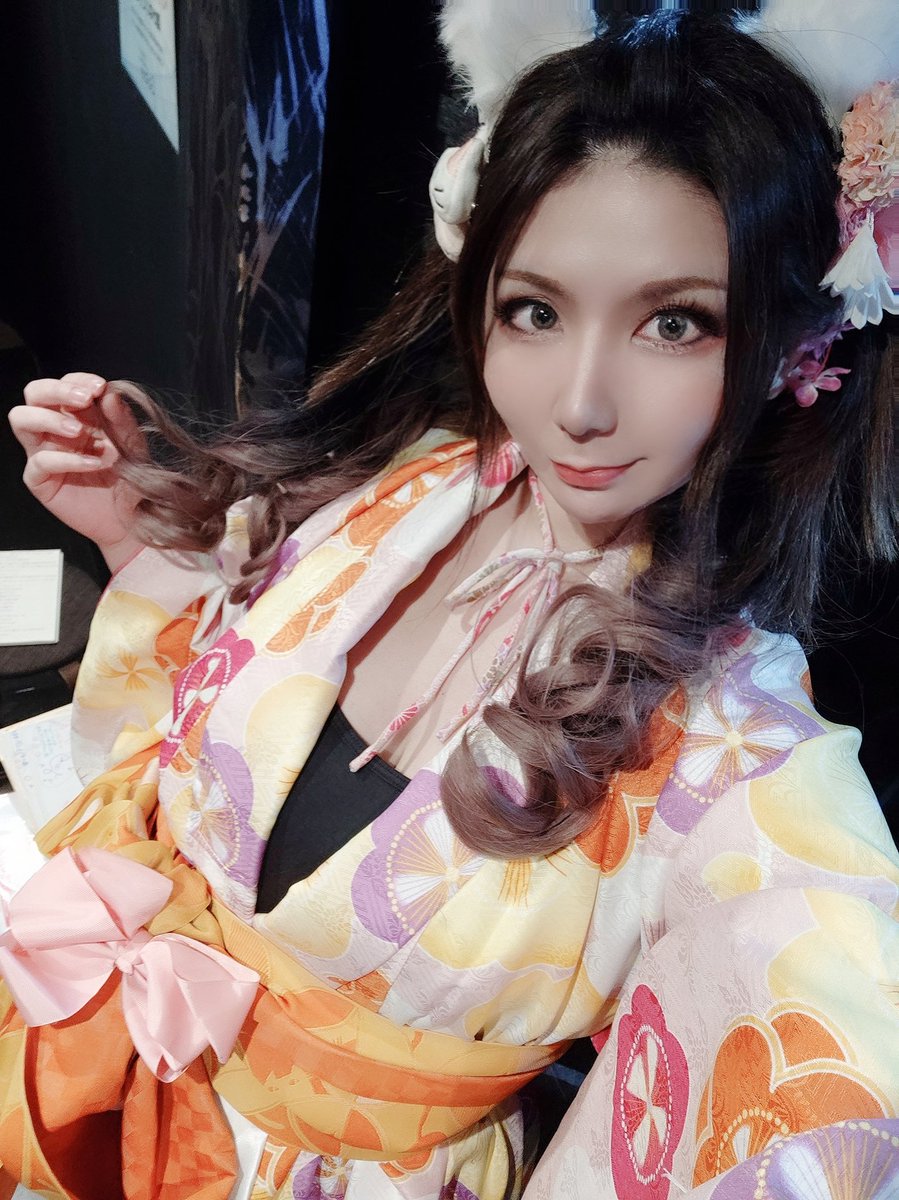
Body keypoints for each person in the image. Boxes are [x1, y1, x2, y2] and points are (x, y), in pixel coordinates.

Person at [3, 5, 898, 1199]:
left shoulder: (734, 748)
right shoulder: (413, 480)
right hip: (87, 1069)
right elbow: (209, 723)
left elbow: (825, 1019)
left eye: (673, 323)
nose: (578, 403)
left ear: (790, 344)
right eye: (535, 310)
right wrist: (132, 532)